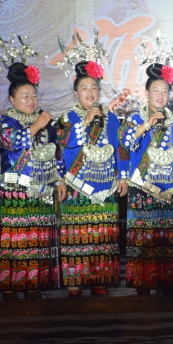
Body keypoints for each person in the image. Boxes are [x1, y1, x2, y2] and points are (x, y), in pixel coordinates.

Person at [0, 62, 67, 301]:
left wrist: (60, 180)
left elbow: (56, 153)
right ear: (12, 99)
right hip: (15, 190)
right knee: (14, 237)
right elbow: (11, 142)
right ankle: (9, 283)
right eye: (25, 96)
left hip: (41, 189)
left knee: (36, 237)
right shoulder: (4, 122)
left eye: (34, 95)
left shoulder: (45, 122)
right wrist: (36, 125)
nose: (31, 100)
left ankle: (34, 281)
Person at [118, 63, 173, 295]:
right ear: (146, 93)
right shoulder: (134, 118)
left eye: (165, 91)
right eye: (155, 91)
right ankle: (143, 280)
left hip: (169, 186)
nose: (160, 95)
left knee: (167, 236)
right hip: (143, 186)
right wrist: (145, 125)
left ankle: (166, 280)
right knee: (145, 236)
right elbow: (125, 142)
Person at [57, 61, 128, 297]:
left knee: (102, 236)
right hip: (78, 185)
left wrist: (123, 176)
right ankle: (75, 279)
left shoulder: (112, 119)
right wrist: (86, 121)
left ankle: (100, 277)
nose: (90, 93)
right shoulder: (67, 119)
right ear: (76, 93)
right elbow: (65, 142)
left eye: (94, 88)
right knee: (78, 235)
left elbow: (120, 150)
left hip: (106, 186)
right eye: (84, 88)